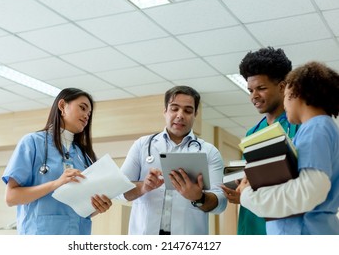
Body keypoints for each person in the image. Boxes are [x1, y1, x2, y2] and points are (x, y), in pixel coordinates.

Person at [238, 61, 339, 234]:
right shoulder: (321, 128)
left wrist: (248, 195)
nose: (284, 104)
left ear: (295, 93)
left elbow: (309, 191)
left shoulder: (315, 128)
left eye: (285, 96)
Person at [2, 88, 112, 235]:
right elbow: (11, 197)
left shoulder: (84, 156)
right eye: (82, 108)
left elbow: (78, 211)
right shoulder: (32, 143)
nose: (86, 116)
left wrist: (97, 207)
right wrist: (56, 184)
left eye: (89, 113)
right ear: (62, 106)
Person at [120, 85, 227, 235]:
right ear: (165, 111)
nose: (180, 115)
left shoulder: (209, 152)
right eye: (174, 108)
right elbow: (119, 190)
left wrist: (199, 197)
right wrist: (143, 187)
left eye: (188, 110)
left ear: (195, 114)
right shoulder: (142, 145)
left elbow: (221, 203)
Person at [221, 47, 299, 235]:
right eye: (250, 90)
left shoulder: (300, 125)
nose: (254, 96)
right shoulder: (252, 133)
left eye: (261, 88)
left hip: (285, 224)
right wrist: (238, 188)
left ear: (282, 87)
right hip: (251, 224)